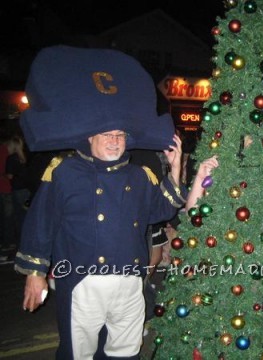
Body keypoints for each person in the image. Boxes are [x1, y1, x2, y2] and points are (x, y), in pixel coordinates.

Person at [14, 45, 188, 359]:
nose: (114, 140)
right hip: (82, 281)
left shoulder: (140, 175)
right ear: (89, 137)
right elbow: (42, 223)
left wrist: (175, 170)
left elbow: (160, 210)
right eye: (106, 134)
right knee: (78, 353)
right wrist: (35, 273)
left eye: (120, 134)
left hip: (130, 282)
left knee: (124, 351)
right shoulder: (64, 172)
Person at [5, 135, 30, 247]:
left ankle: (22, 241)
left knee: (19, 216)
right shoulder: (24, 157)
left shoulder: (11, 158)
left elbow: (10, 176)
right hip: (26, 188)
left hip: (17, 189)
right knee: (27, 215)